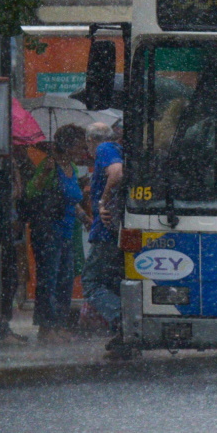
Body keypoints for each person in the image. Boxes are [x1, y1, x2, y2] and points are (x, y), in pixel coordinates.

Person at [26, 124, 89, 341]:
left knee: (65, 280)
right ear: (69, 144)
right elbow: (31, 192)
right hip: (48, 230)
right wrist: (44, 173)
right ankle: (46, 327)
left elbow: (73, 201)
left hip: (67, 231)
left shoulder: (71, 165)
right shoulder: (49, 165)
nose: (83, 150)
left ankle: (59, 324)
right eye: (80, 145)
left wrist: (85, 218)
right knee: (48, 279)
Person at [82, 120, 128, 352]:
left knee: (91, 282)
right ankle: (124, 338)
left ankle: (124, 320)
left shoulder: (105, 149)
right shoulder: (119, 149)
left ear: (91, 140)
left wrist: (103, 199)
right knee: (115, 283)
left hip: (106, 231)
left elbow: (117, 173)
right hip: (118, 229)